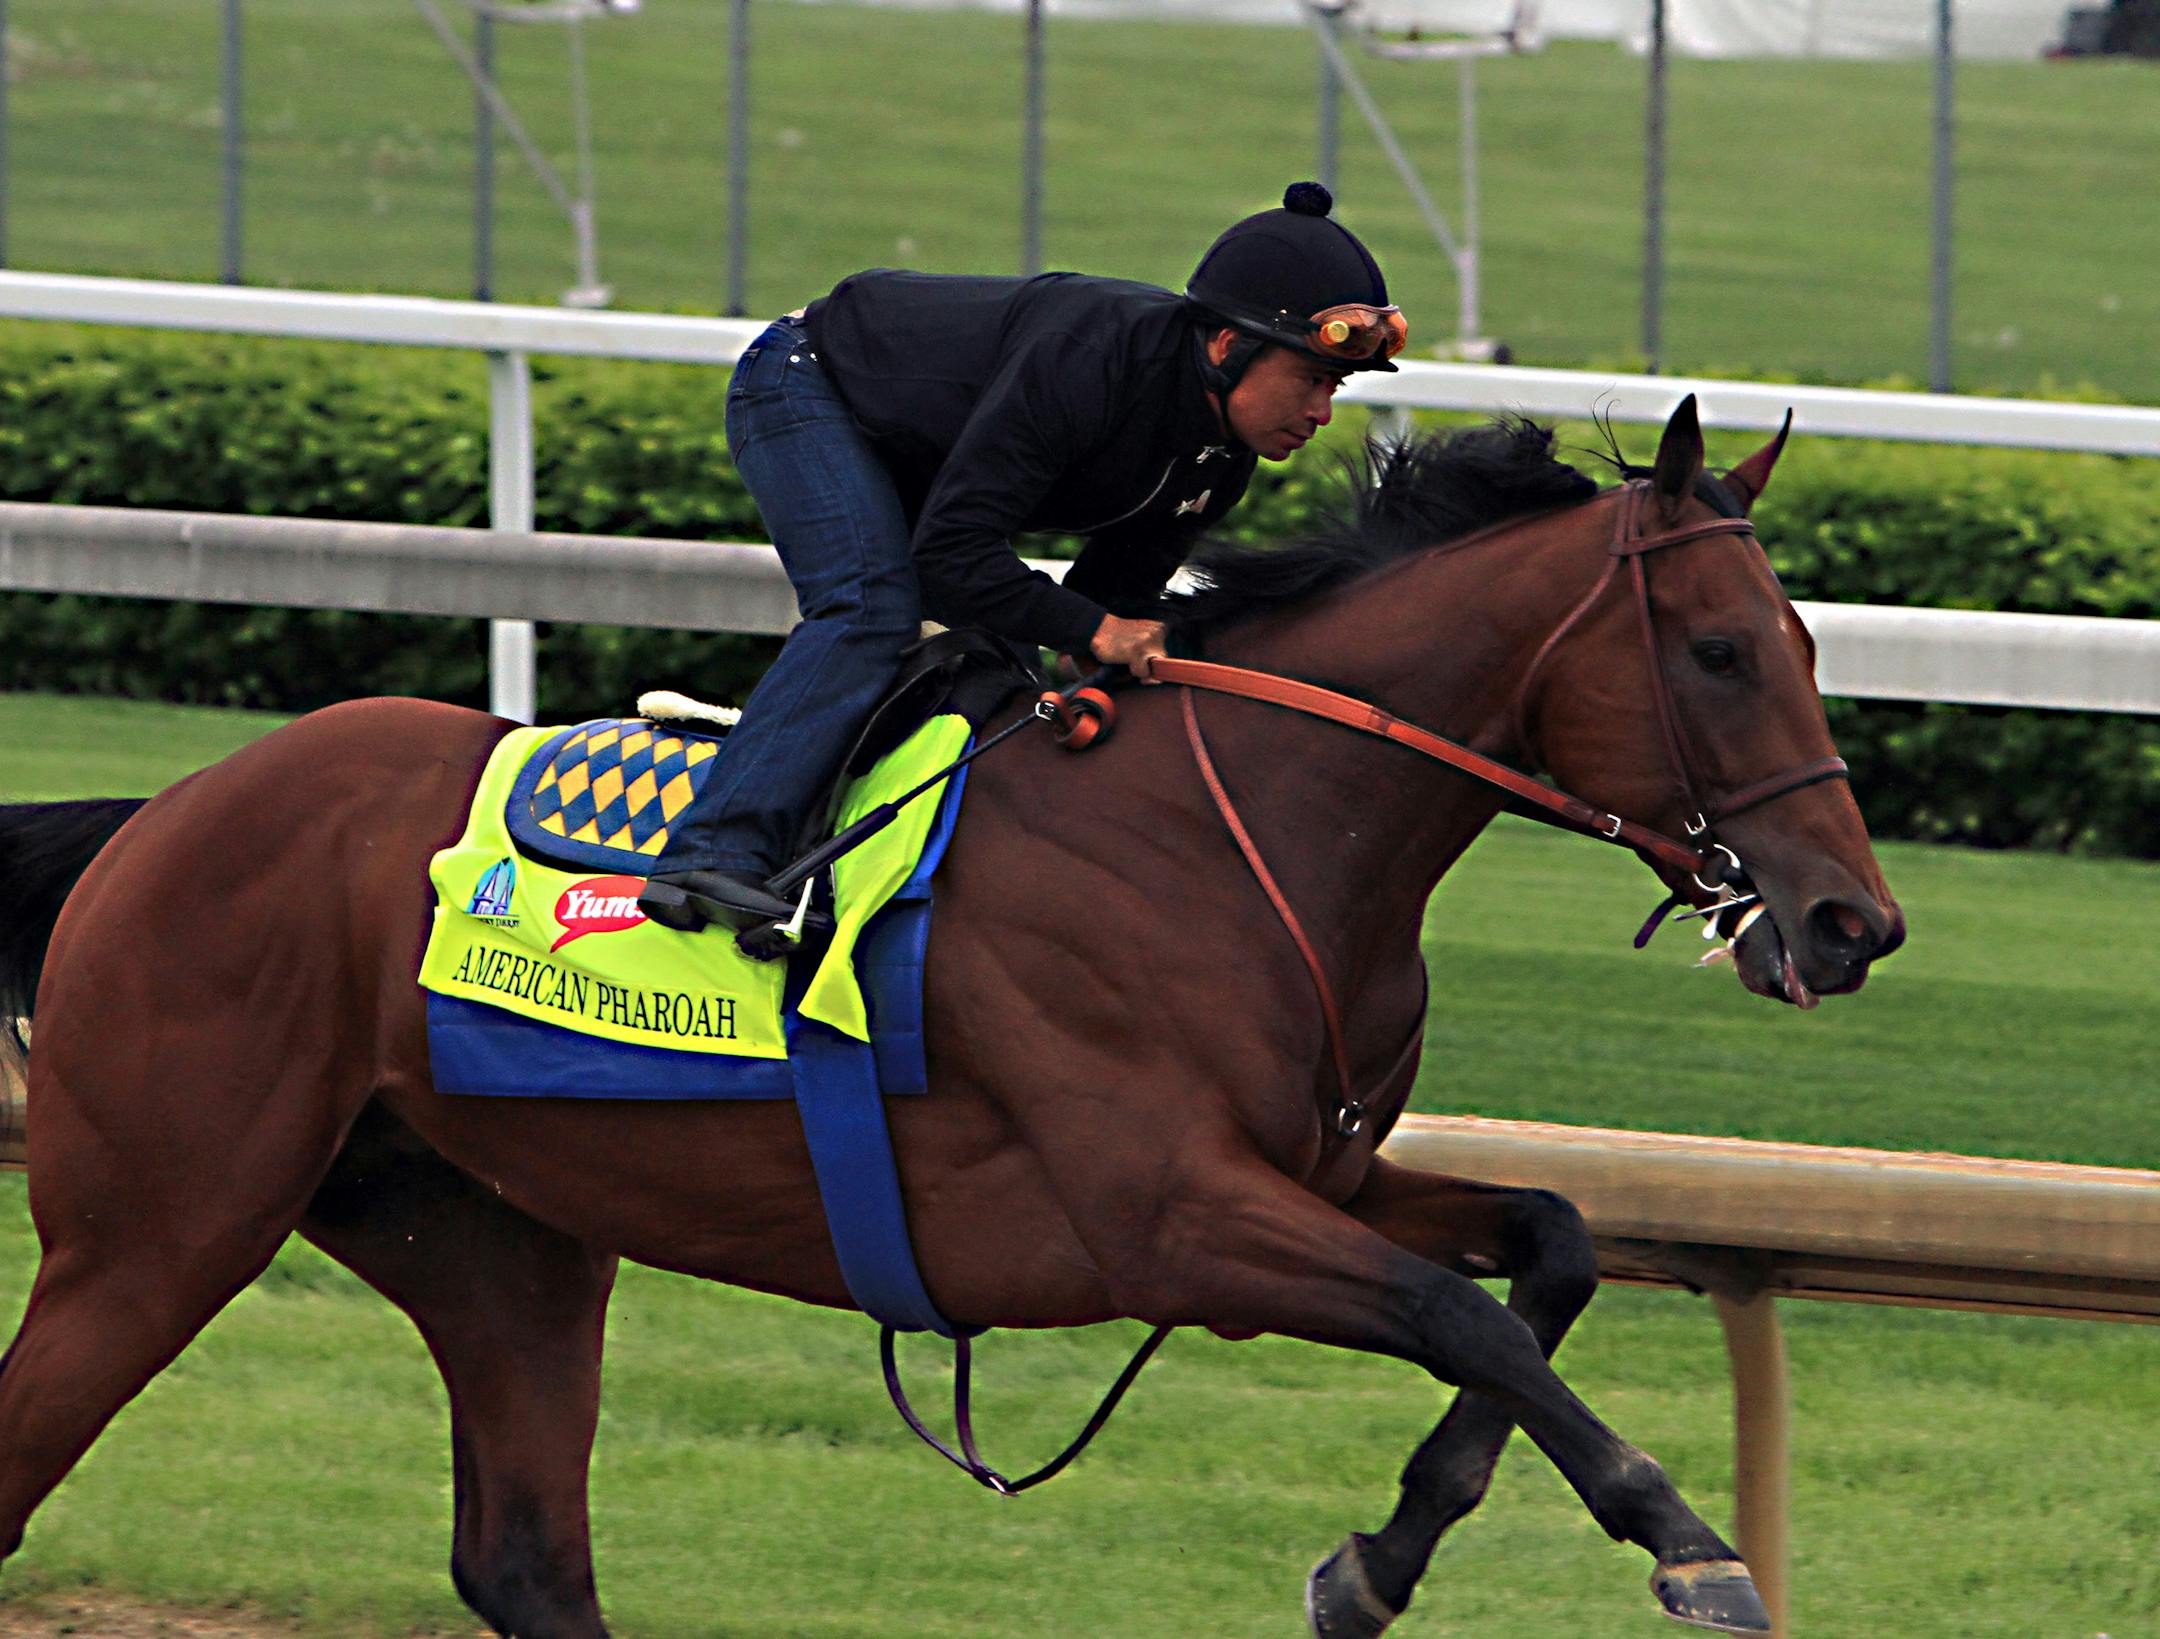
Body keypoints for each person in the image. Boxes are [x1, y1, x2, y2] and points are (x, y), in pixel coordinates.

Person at [638, 181, 1408, 949]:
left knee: (999, 671)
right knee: (870, 607)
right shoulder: (1089, 362)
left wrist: (1138, 641)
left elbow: (1104, 602)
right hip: (806, 382)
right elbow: (950, 558)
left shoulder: (1219, 461)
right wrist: (1100, 629)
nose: (1323, 412)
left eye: (1334, 386)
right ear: (1226, 346)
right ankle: (711, 851)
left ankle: (860, 873)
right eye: (1311, 379)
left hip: (919, 446)